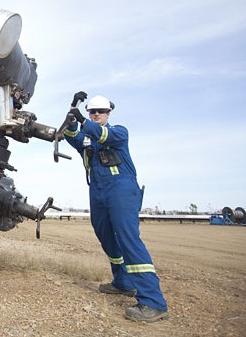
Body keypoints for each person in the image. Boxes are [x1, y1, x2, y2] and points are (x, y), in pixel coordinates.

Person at [63, 91, 169, 322]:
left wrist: (81, 120)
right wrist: (71, 121)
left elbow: (100, 134)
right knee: (106, 237)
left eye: (100, 111)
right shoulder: (87, 139)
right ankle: (123, 282)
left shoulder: (119, 132)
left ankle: (153, 302)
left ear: (108, 113)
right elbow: (74, 138)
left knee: (128, 239)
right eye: (92, 111)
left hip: (121, 189)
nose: (96, 114)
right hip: (98, 192)